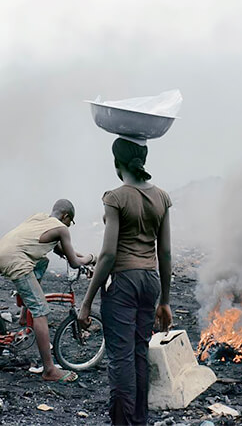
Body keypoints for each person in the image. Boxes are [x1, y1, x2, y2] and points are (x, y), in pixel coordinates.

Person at [79, 138, 173, 426]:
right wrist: (165, 301)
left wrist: (86, 303)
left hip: (123, 282)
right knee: (139, 354)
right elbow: (165, 252)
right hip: (150, 281)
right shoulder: (162, 197)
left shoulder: (115, 198)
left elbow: (108, 255)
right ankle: (139, 420)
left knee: (121, 359)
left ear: (117, 163)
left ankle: (123, 422)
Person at [0, 199, 95, 383]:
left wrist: (85, 258)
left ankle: (25, 315)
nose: (69, 226)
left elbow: (63, 251)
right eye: (71, 222)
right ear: (66, 217)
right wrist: (92, 257)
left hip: (0, 254)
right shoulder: (62, 229)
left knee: (42, 261)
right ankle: (49, 370)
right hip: (15, 261)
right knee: (41, 311)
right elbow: (73, 261)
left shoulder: (40, 219)